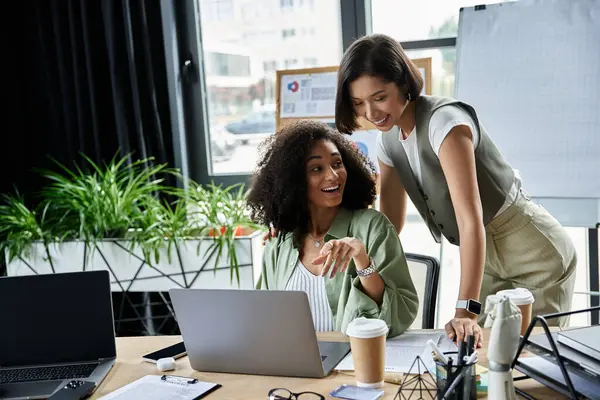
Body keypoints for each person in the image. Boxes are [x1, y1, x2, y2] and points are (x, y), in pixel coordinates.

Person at [334, 33, 577, 347]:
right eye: (358, 103)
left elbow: (469, 221)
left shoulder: (444, 123)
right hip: (486, 257)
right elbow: (391, 223)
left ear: (403, 83)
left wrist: (466, 310)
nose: (371, 112)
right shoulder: (388, 141)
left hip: (533, 250)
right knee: (484, 359)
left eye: (379, 97)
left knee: (533, 360)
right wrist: (331, 235)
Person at [248, 120, 419, 337]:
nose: (333, 175)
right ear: (293, 181)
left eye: (337, 163)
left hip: (352, 363)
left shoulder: (372, 227)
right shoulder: (279, 242)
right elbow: (263, 318)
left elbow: (399, 317)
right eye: (316, 168)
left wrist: (362, 261)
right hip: (294, 365)